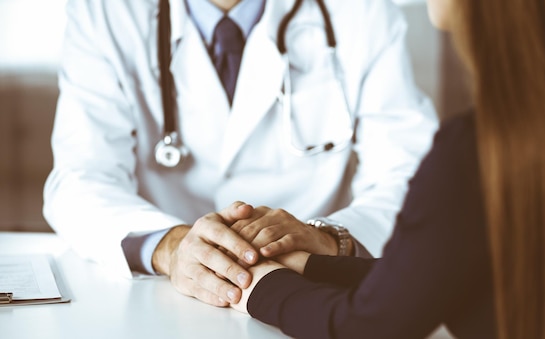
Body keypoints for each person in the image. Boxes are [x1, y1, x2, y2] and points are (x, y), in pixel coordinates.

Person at [228, 0, 545, 338]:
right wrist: (313, 265)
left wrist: (256, 285)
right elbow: (439, 271)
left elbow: (368, 326)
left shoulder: (475, 151)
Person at [43, 0, 438, 307]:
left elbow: (413, 173)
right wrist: (173, 246)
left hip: (312, 290)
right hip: (162, 298)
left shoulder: (359, 10)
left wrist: (333, 240)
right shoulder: (108, 12)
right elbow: (80, 179)